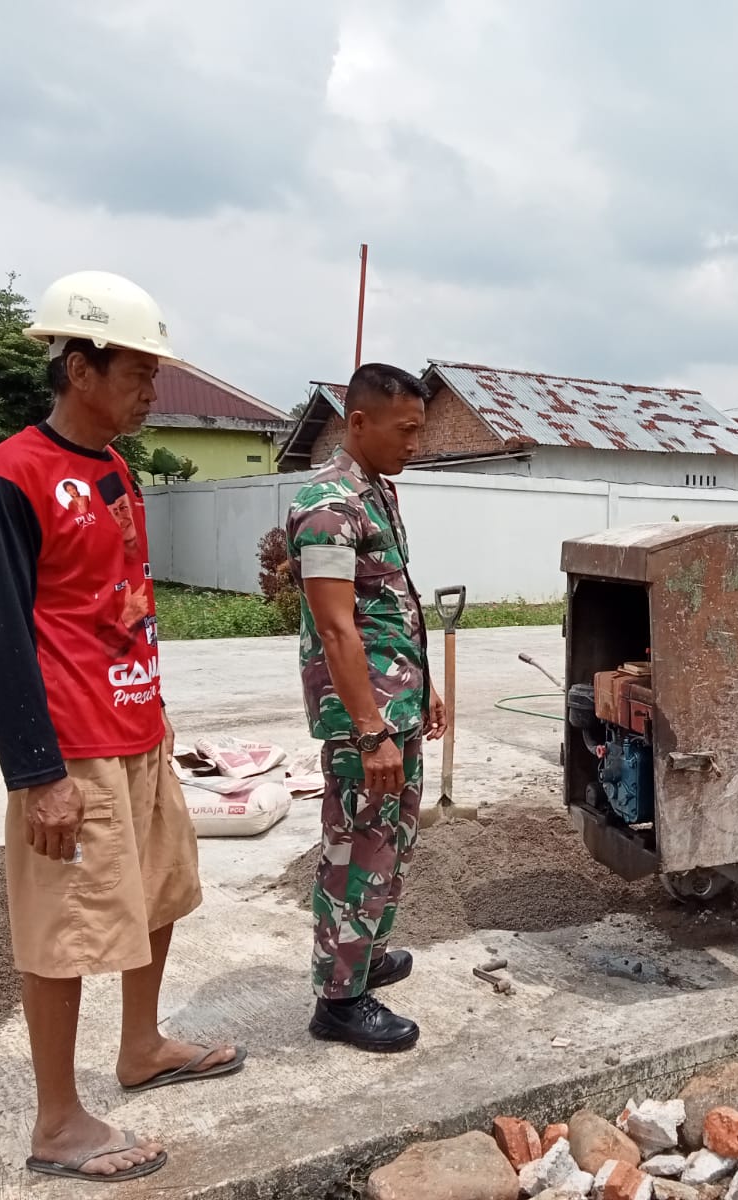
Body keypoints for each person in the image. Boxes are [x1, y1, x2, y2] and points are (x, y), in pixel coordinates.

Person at [0, 271, 244, 1184]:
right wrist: (35, 773)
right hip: (71, 748)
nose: (152, 390)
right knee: (67, 927)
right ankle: (57, 1122)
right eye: (138, 372)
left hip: (138, 725)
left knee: (158, 894)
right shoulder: (11, 478)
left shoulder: (115, 468)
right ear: (80, 368)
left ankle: (142, 1046)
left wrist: (156, 719)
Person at [286, 362, 446, 1052]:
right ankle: (339, 1000)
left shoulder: (377, 491)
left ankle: (367, 952)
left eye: (419, 430)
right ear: (358, 422)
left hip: (394, 703)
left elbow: (391, 604)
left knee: (391, 840)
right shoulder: (328, 505)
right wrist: (370, 731)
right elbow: (336, 628)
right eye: (405, 430)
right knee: (357, 848)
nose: (415, 443)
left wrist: (423, 684)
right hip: (365, 716)